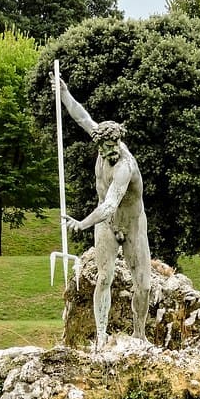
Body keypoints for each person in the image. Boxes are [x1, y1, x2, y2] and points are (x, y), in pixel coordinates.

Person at [55, 75, 151, 349]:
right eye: (103, 148)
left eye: (112, 148)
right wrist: (64, 94)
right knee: (104, 277)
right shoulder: (100, 140)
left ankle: (139, 334)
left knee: (143, 285)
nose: (108, 152)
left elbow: (110, 203)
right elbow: (82, 118)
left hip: (131, 224)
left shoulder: (125, 166)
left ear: (119, 142)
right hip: (107, 225)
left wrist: (82, 223)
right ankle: (100, 336)